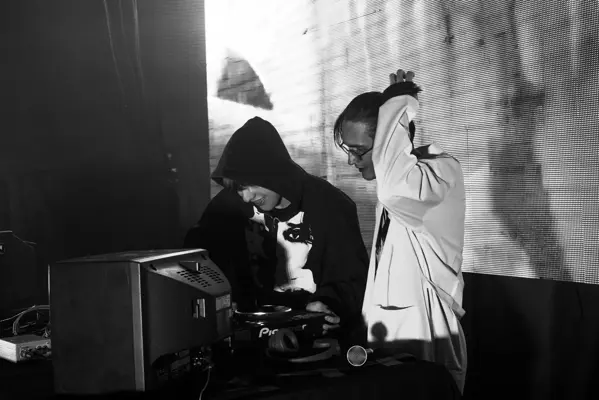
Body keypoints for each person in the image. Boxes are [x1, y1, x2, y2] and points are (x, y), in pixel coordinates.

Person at [333, 69, 467, 392]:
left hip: (427, 342)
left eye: (359, 150)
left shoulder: (437, 173)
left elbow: (396, 188)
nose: (351, 161)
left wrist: (399, 105)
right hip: (394, 348)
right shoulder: (399, 187)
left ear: (387, 141)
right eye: (348, 149)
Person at [184, 116, 369, 335]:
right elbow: (195, 260)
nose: (246, 197)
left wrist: (331, 304)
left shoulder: (331, 205)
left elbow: (353, 279)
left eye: (249, 185)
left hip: (315, 338)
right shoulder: (228, 206)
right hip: (247, 339)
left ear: (272, 173)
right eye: (239, 189)